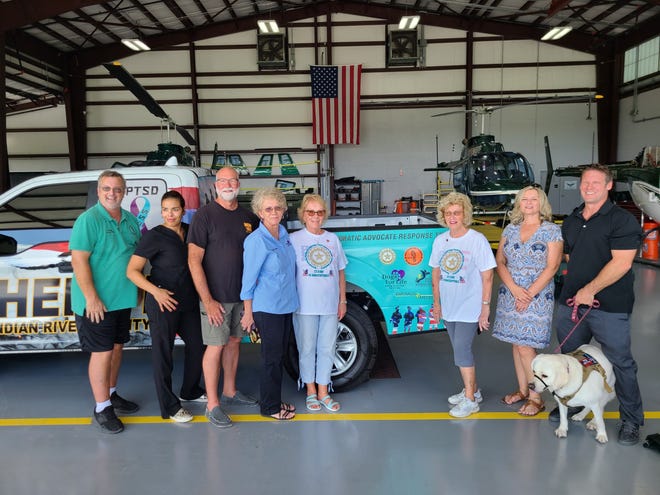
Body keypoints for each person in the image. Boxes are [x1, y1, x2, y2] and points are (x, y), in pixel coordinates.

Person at [552, 164, 644, 446]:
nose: (588, 186)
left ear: (608, 186)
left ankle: (630, 419)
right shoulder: (572, 219)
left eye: (595, 182)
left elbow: (622, 262)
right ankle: (576, 403)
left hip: (610, 307)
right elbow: (570, 257)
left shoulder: (621, 220)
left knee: (621, 362)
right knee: (571, 359)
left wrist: (588, 290)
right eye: (585, 182)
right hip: (572, 306)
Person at [188, 166, 260, 428]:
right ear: (215, 185)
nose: (228, 184)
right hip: (215, 298)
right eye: (223, 180)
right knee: (215, 346)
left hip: (241, 297)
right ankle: (212, 404)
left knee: (233, 343)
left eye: (233, 180)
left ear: (239, 183)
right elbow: (194, 261)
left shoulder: (249, 217)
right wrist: (207, 300)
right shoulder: (204, 216)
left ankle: (230, 390)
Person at [70, 170, 141, 434]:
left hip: (121, 300)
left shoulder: (132, 221)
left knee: (116, 348)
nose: (112, 193)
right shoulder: (88, 220)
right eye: (107, 189)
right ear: (99, 191)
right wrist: (92, 298)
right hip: (96, 303)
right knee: (102, 353)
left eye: (118, 189)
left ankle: (111, 394)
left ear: (124, 192)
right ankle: (102, 408)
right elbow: (79, 261)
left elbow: (136, 258)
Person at [126, 191, 205, 424]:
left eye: (175, 209)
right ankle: (169, 406)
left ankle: (190, 390)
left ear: (183, 210)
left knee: (198, 346)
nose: (170, 214)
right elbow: (132, 271)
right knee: (163, 354)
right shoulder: (154, 236)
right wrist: (155, 291)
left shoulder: (191, 232)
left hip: (188, 300)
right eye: (166, 209)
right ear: (161, 211)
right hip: (162, 301)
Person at [492, 186, 563, 416]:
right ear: (519, 203)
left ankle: (536, 398)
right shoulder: (510, 230)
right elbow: (500, 261)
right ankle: (523, 390)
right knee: (516, 342)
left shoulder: (551, 230)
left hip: (537, 295)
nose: (529, 203)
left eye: (534, 199)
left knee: (526, 345)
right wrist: (514, 289)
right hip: (510, 294)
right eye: (525, 199)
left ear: (541, 203)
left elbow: (552, 266)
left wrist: (528, 293)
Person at [429, 192, 496, 418]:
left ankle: (470, 400)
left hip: (469, 305)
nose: (452, 217)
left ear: (465, 214)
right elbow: (435, 274)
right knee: (459, 349)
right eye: (448, 213)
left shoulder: (476, 240)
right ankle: (473, 390)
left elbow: (488, 276)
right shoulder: (440, 240)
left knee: (462, 351)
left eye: (456, 212)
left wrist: (485, 307)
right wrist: (437, 304)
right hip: (449, 305)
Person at [240, 188, 299, 421]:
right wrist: (248, 312)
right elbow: (248, 279)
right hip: (267, 308)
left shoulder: (284, 235)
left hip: (286, 305)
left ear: (284, 210)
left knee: (279, 356)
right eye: (268, 208)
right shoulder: (256, 241)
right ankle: (270, 407)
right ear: (259, 213)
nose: (273, 212)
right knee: (271, 359)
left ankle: (273, 398)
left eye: (277, 207)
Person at [290, 194, 347, 412]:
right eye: (311, 212)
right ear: (303, 215)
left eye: (320, 212)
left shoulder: (332, 239)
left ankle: (324, 391)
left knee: (327, 348)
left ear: (325, 215)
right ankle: (310, 391)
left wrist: (342, 300)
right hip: (304, 306)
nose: (315, 216)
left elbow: (340, 271)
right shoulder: (294, 239)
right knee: (306, 349)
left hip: (329, 305)